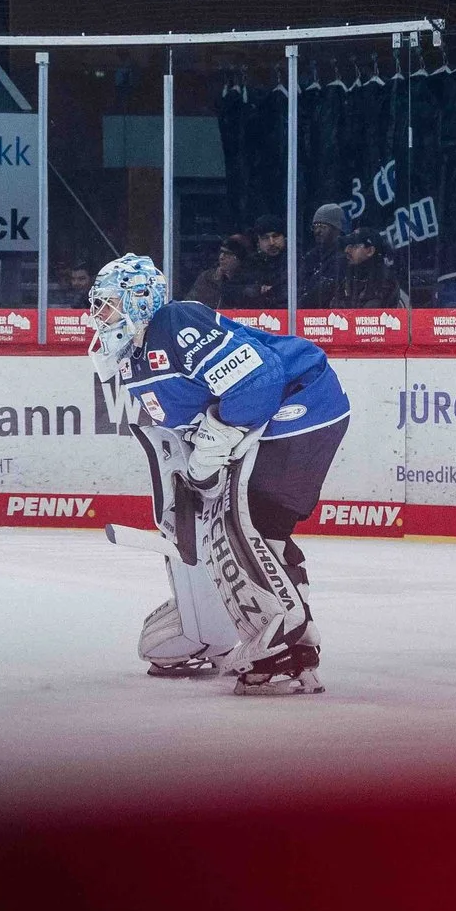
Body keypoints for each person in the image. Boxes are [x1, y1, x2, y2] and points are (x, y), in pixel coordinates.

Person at [90, 253, 350, 694]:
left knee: (242, 521)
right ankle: (257, 632)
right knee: (249, 529)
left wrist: (216, 437)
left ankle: (282, 648)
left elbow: (258, 378)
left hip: (303, 402)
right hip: (274, 417)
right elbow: (173, 429)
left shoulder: (174, 321)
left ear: (138, 300)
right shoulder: (133, 358)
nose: (99, 315)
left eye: (108, 303)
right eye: (97, 305)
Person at [320, 228, 408, 308]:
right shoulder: (346, 276)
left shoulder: (384, 280)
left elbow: (370, 315)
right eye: (347, 246)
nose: (347, 250)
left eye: (353, 246)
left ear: (370, 251)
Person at [187, 235, 251, 308]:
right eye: (221, 253)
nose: (221, 257)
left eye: (227, 254)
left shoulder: (248, 279)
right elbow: (190, 304)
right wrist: (216, 282)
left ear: (238, 258)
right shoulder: (207, 278)